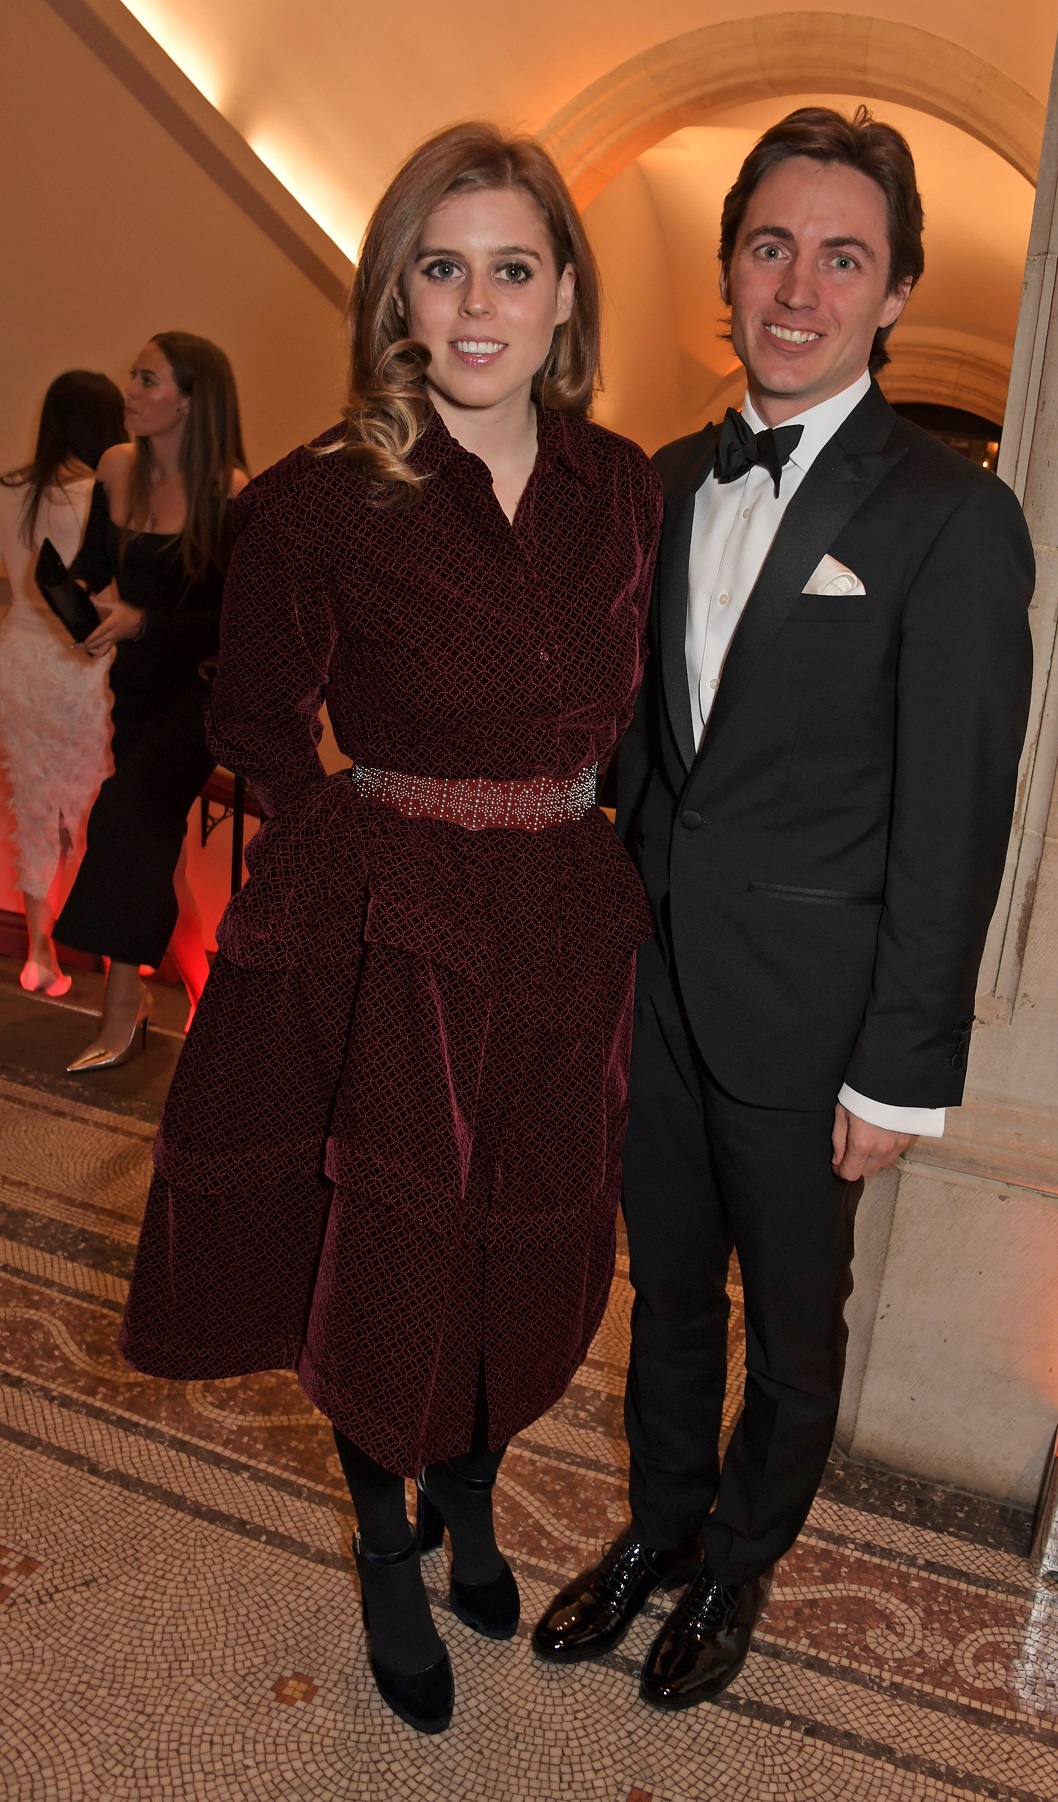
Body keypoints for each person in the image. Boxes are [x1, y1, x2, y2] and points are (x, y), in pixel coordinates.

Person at [118, 123, 661, 1736]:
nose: (478, 305)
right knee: (396, 1248)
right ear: (397, 299)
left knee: (532, 1235)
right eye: (443, 269)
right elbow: (258, 716)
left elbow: (632, 716)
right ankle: (379, 1533)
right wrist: (356, 867)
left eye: (511, 267)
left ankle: (474, 1492)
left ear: (564, 292)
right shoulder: (317, 497)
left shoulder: (622, 486)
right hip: (400, 923)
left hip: (566, 916)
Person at [533, 106, 1035, 1710]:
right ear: (730, 269)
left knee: (793, 1335)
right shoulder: (659, 481)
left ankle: (738, 1572)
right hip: (654, 993)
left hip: (820, 1027)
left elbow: (956, 818)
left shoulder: (952, 516)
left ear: (894, 294)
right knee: (663, 1295)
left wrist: (901, 1070)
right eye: (772, 248)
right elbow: (628, 747)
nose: (799, 288)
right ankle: (658, 1534)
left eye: (843, 257)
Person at [55, 332, 248, 1068]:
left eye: (148, 379)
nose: (130, 391)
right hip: (133, 688)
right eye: (131, 376)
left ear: (192, 401)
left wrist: (146, 622)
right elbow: (94, 567)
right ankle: (138, 1003)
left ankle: (117, 1013)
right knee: (147, 836)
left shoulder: (229, 491)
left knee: (127, 812)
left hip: (199, 694)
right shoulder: (116, 466)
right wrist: (79, 605)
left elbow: (239, 619)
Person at [0, 372, 127, 995]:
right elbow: (106, 595)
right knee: (88, 808)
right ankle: (108, 954)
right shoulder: (102, 496)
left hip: (19, 658)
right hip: (82, 663)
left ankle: (39, 950)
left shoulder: (8, 487)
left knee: (32, 799)